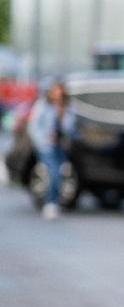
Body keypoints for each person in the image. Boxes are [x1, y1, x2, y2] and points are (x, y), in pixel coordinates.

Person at [27, 79, 76, 219]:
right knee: (53, 172)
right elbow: (34, 126)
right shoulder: (43, 105)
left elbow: (70, 128)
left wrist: (61, 113)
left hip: (61, 145)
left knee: (59, 174)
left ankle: (54, 201)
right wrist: (43, 141)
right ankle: (51, 202)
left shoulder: (67, 106)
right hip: (47, 146)